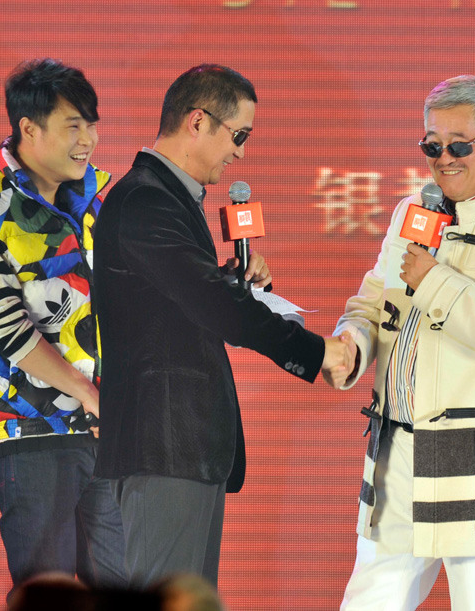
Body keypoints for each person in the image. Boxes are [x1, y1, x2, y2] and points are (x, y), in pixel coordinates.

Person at [92, 63, 352, 589]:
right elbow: (212, 306)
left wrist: (229, 281)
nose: (240, 154)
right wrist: (316, 351)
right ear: (197, 121)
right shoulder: (146, 199)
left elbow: (179, 301)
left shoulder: (165, 197)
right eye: (239, 136)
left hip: (181, 449)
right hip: (164, 446)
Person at [329, 75, 475, 611]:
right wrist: (353, 344)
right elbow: (373, 301)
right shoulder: (410, 213)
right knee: (369, 601)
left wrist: (435, 281)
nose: (443, 160)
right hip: (399, 449)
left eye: (458, 146)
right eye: (431, 146)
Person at [0, 59, 126, 596]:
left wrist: (233, 281)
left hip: (108, 433)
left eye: (92, 125)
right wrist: (89, 394)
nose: (88, 140)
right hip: (32, 436)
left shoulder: (103, 202)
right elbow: (5, 328)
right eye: (74, 125)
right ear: (29, 128)